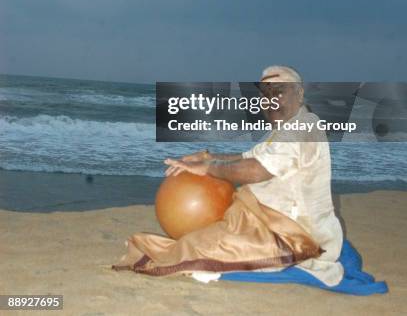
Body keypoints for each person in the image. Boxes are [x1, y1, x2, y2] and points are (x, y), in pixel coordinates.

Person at [112, 66, 344, 285]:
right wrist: (206, 156)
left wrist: (208, 167)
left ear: (299, 93)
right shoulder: (286, 128)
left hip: (294, 235)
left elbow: (256, 170)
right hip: (265, 218)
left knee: (194, 249)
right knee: (198, 242)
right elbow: (247, 157)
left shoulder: (303, 128)